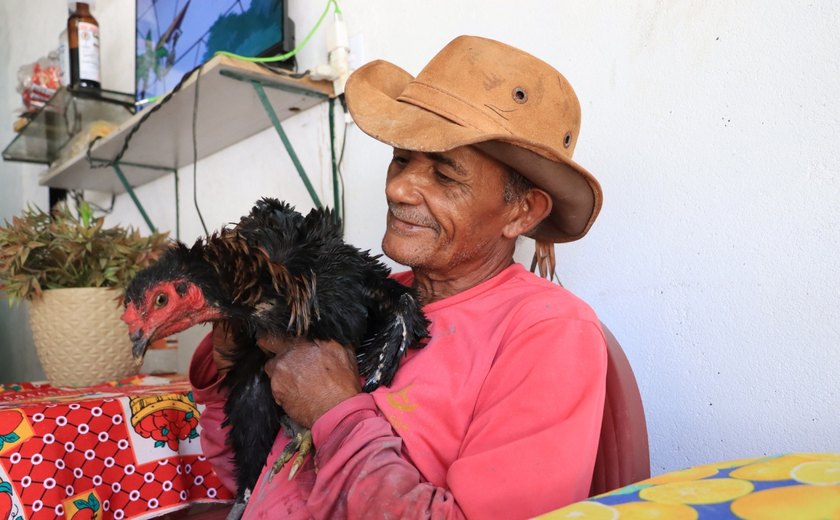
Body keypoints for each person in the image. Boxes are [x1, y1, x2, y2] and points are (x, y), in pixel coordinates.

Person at [189, 35, 608, 519]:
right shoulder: (365, 295)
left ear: (522, 211)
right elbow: (251, 482)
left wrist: (333, 411)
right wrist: (229, 370)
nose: (399, 187)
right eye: (402, 159)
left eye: (446, 175)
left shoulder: (549, 332)